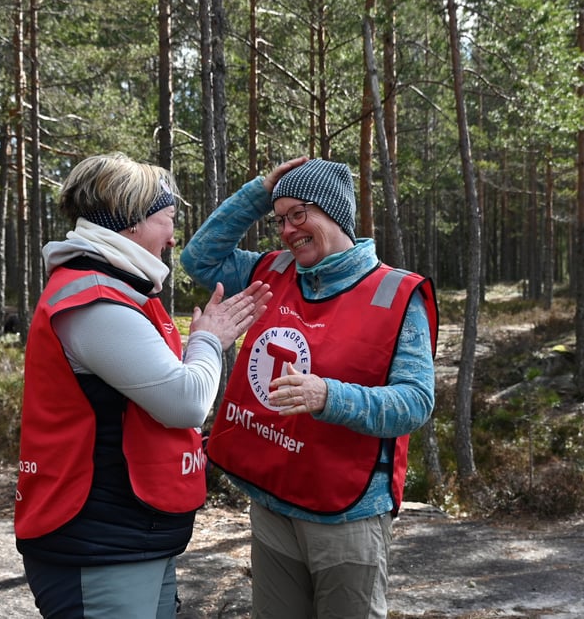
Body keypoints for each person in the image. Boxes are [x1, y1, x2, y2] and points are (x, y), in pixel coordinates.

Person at [14, 152, 271, 619]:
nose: (173, 238)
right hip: (97, 540)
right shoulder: (94, 302)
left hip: (127, 532)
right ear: (131, 222)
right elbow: (185, 402)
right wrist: (210, 341)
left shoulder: (116, 291)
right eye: (167, 220)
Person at [180, 157, 438, 618]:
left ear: (334, 213)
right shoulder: (272, 272)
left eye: (299, 214)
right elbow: (198, 259)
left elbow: (416, 402)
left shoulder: (396, 293)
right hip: (273, 500)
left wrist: (328, 396)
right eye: (279, 219)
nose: (285, 230)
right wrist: (259, 192)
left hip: (347, 514)